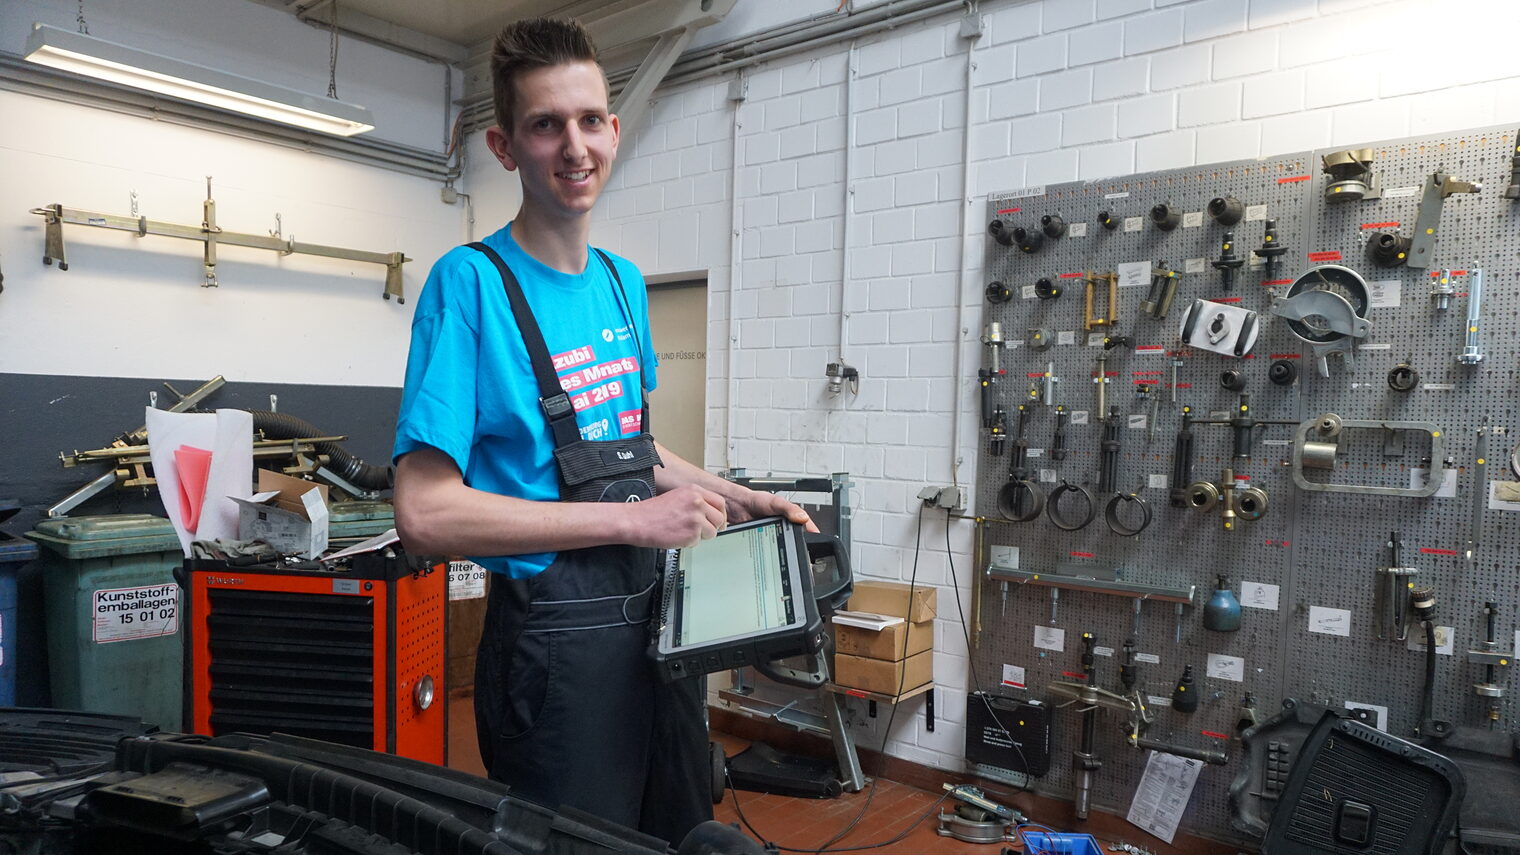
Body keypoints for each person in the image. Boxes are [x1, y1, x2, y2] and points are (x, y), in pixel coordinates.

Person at [390, 17, 813, 844]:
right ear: (506, 146)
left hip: (657, 630)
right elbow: (425, 512)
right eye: (545, 124)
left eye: (589, 120)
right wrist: (631, 521)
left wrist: (743, 498)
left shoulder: (623, 283)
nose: (573, 145)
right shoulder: (468, 285)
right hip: (553, 658)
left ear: (614, 130)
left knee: (685, 831)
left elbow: (631, 449)